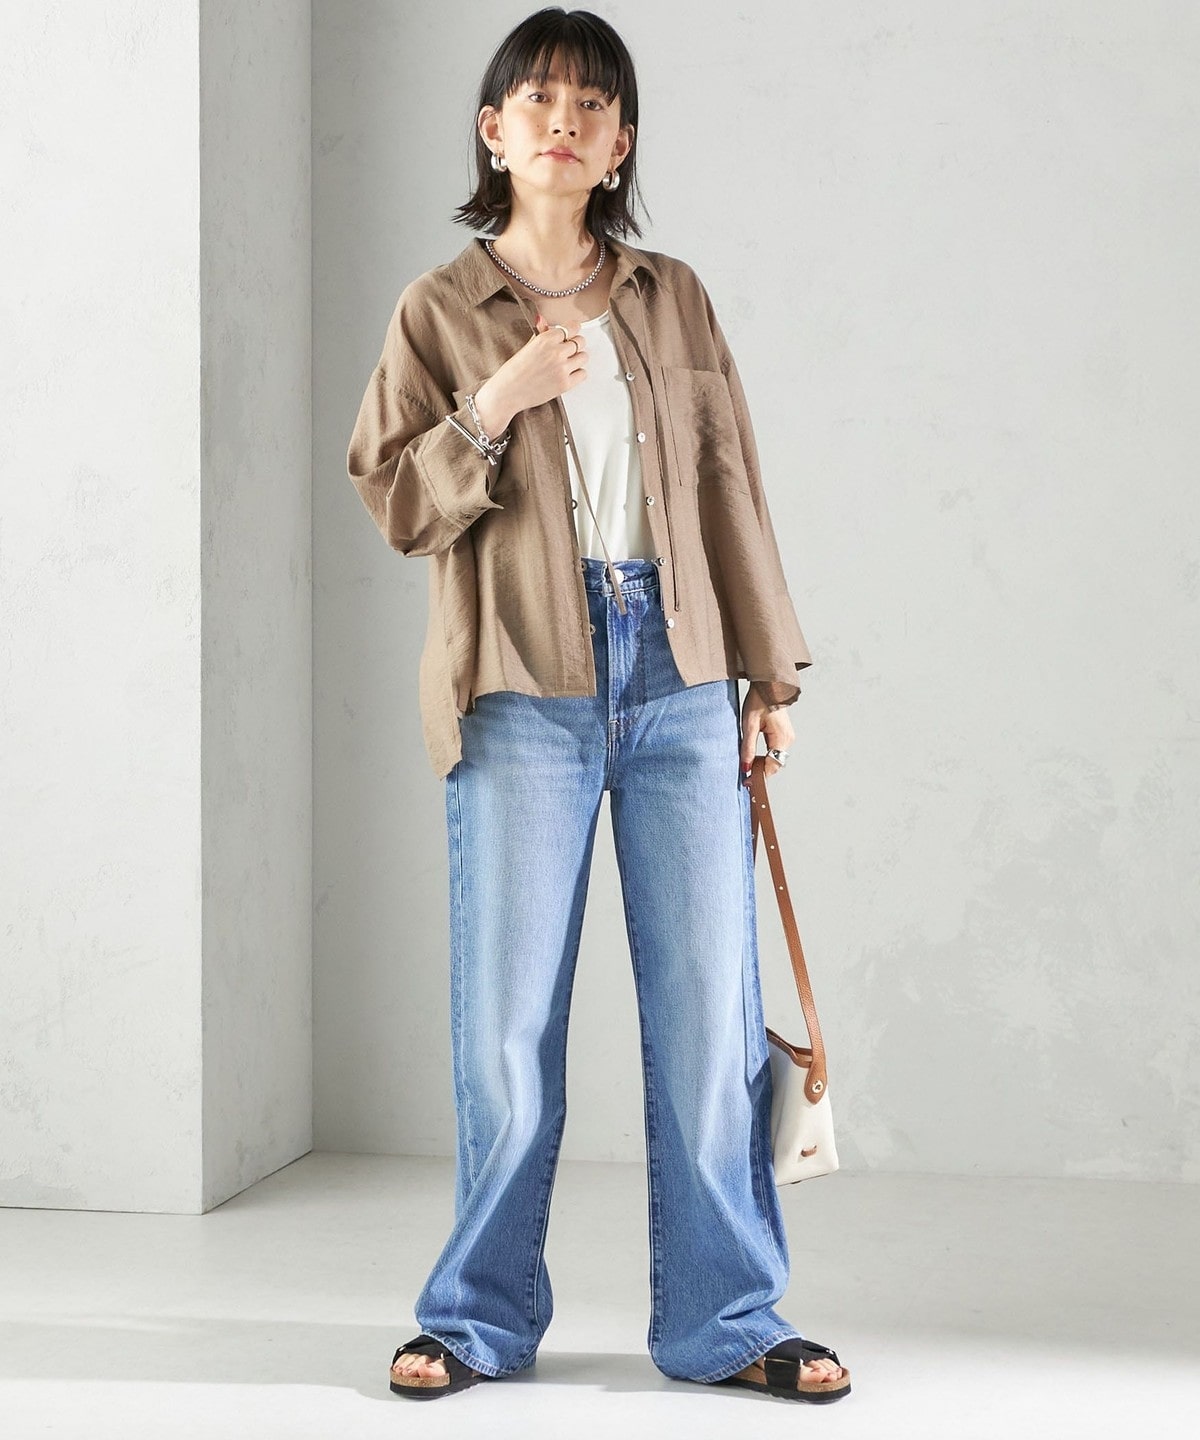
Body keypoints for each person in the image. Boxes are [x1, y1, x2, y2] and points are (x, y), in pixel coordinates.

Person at [346, 5, 850, 1406]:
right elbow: (395, 502)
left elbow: (730, 487)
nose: (562, 122)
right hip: (521, 682)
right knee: (506, 1030)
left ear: (620, 143)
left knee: (709, 1020)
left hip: (682, 676)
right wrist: (494, 402)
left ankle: (729, 1321)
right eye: (537, 100)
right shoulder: (440, 309)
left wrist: (766, 675)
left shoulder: (672, 298)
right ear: (493, 132)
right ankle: (476, 1320)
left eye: (591, 105)